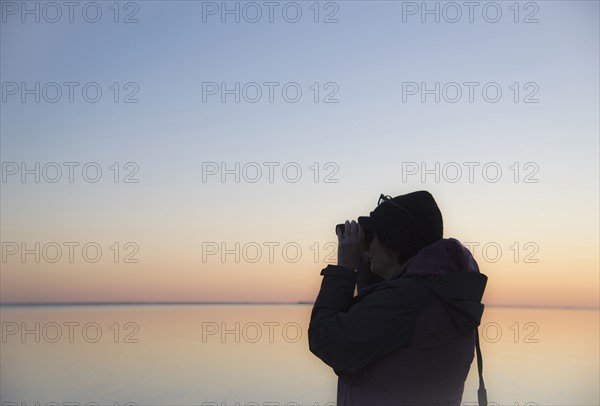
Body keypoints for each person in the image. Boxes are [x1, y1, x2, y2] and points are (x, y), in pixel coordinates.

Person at [308, 190, 488, 406]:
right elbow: (376, 333)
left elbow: (326, 340)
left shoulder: (407, 300)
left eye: (372, 238)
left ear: (394, 242)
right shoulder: (439, 292)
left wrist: (345, 268)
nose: (368, 248)